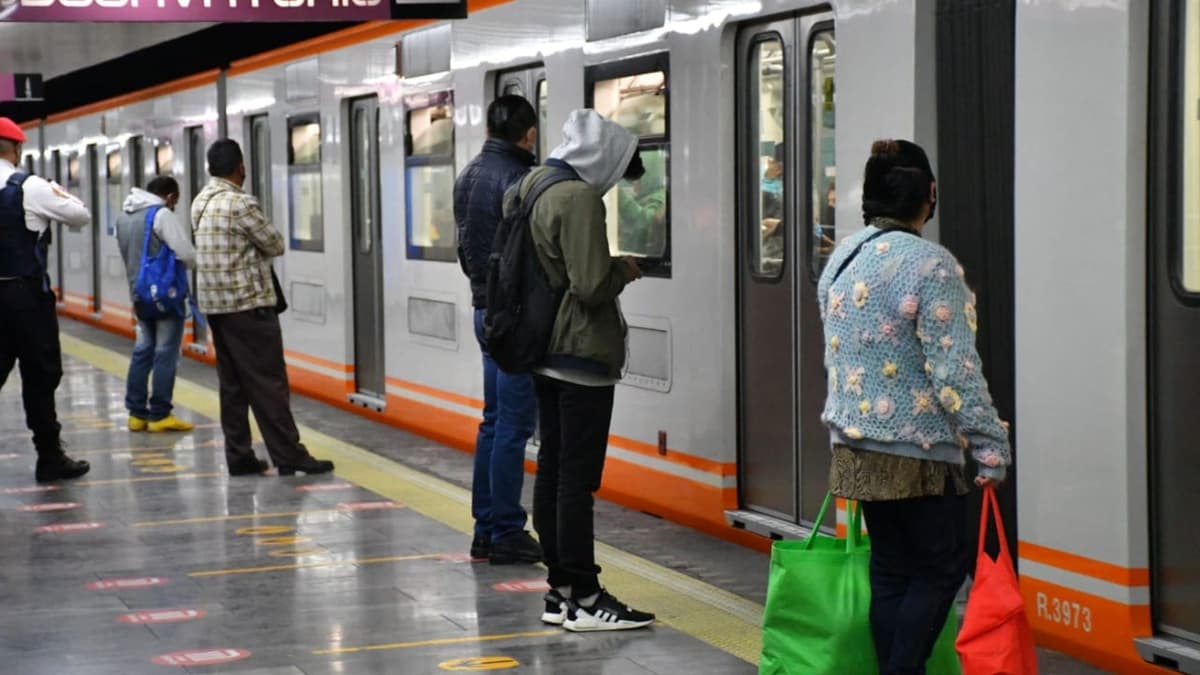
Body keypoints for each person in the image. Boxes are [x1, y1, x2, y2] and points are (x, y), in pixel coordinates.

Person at [817, 139, 1011, 675]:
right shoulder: (933, 265)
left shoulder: (842, 257)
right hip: (919, 453)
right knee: (941, 570)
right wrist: (991, 446)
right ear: (929, 195)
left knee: (891, 571)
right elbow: (955, 370)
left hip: (856, 445)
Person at [511, 108, 654, 632]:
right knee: (576, 480)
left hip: (541, 348)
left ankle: (560, 592)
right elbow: (591, 285)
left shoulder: (530, 186)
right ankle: (586, 595)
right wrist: (624, 267)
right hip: (579, 354)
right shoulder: (578, 199)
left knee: (552, 470)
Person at [191, 139, 333, 477]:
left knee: (233, 385)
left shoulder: (200, 202)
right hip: (248, 306)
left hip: (216, 308)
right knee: (268, 382)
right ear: (241, 168)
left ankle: (239, 455)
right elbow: (275, 244)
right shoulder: (240, 204)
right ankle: (289, 454)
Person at [453, 94, 543, 565]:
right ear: (528, 134)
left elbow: (464, 250)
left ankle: (485, 527)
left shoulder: (467, 175)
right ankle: (507, 529)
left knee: (493, 421)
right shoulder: (520, 180)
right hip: (513, 319)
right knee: (512, 425)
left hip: (482, 310)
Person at [0, 117, 93, 482]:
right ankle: (50, 457)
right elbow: (80, 215)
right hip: (25, 297)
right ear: (18, 149)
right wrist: (55, 189)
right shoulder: (29, 186)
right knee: (40, 375)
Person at [114, 176, 196, 433]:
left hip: (138, 295)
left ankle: (136, 414)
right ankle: (160, 414)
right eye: (175, 202)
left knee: (143, 351)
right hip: (164, 296)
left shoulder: (123, 218)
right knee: (165, 353)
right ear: (170, 197)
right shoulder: (161, 215)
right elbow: (187, 254)